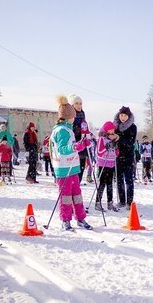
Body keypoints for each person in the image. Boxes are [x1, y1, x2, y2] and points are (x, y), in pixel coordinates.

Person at [49, 96, 93, 230]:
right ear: (68, 117)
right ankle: (65, 220)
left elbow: (72, 144)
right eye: (73, 116)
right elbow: (63, 149)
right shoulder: (61, 130)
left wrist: (82, 144)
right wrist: (75, 147)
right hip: (63, 168)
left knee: (77, 195)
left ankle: (80, 218)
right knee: (66, 196)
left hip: (72, 166)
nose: (75, 118)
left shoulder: (68, 129)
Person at [113, 106, 137, 209]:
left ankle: (129, 202)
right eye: (121, 115)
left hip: (128, 156)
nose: (123, 117)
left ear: (128, 116)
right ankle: (122, 200)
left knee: (129, 179)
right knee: (119, 179)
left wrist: (120, 138)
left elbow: (131, 142)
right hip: (117, 156)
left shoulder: (132, 127)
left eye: (125, 115)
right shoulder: (115, 126)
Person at [95, 121, 120, 212]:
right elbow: (98, 152)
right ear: (106, 130)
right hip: (103, 164)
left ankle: (110, 203)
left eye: (113, 129)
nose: (112, 131)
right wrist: (107, 146)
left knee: (110, 184)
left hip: (111, 163)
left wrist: (116, 147)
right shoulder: (102, 138)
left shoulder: (113, 139)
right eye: (110, 129)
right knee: (102, 184)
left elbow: (116, 153)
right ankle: (98, 203)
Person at [68, 94, 90, 183]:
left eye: (80, 103)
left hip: (82, 144)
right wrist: (78, 129)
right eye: (77, 103)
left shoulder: (82, 114)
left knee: (80, 168)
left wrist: (87, 134)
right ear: (72, 105)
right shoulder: (70, 115)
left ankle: (78, 184)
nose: (79, 105)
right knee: (73, 169)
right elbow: (69, 130)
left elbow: (84, 127)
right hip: (73, 144)